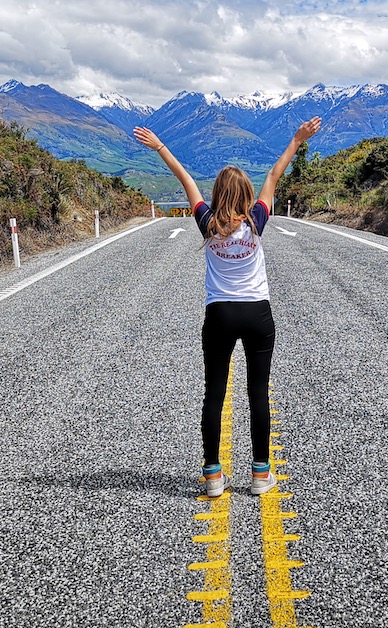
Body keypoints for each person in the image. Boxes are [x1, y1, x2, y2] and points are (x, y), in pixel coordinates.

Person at [133, 116, 322, 497]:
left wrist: (160, 147)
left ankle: (214, 476)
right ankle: (259, 475)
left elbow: (186, 180)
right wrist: (297, 140)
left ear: (218, 194)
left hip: (218, 314)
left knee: (214, 393)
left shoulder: (207, 223)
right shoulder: (256, 221)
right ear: (247, 194)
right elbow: (275, 174)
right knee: (257, 393)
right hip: (257, 315)